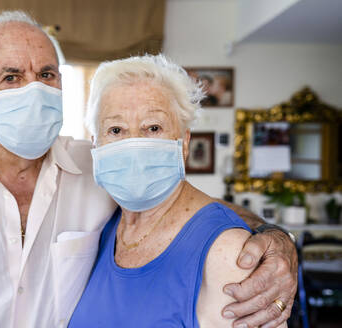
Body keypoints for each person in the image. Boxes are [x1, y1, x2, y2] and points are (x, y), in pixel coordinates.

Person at [0, 10, 297, 328]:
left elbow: (185, 209)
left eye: (46, 74)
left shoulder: (99, 166)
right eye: (11, 77)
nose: (33, 88)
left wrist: (277, 240)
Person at [69, 55, 292, 327]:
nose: (134, 145)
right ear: (95, 145)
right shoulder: (105, 224)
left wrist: (280, 236)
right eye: (116, 129)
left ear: (184, 142)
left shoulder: (229, 254)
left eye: (153, 127)